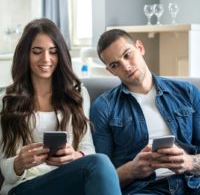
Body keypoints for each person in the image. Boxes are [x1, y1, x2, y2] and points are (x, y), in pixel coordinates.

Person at [0, 18, 122, 195]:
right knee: (100, 162)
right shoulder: (6, 100)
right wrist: (19, 163)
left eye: (53, 52)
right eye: (37, 51)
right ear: (25, 54)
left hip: (67, 180)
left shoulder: (78, 95)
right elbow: (5, 166)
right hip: (26, 186)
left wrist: (75, 156)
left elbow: (88, 148)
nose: (46, 59)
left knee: (100, 162)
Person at [90, 29, 200, 195]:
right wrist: (132, 170)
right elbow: (99, 178)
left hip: (192, 183)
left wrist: (190, 162)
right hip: (145, 189)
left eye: (127, 55)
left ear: (140, 47)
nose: (125, 66)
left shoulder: (187, 92)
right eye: (115, 65)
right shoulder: (104, 107)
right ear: (110, 71)